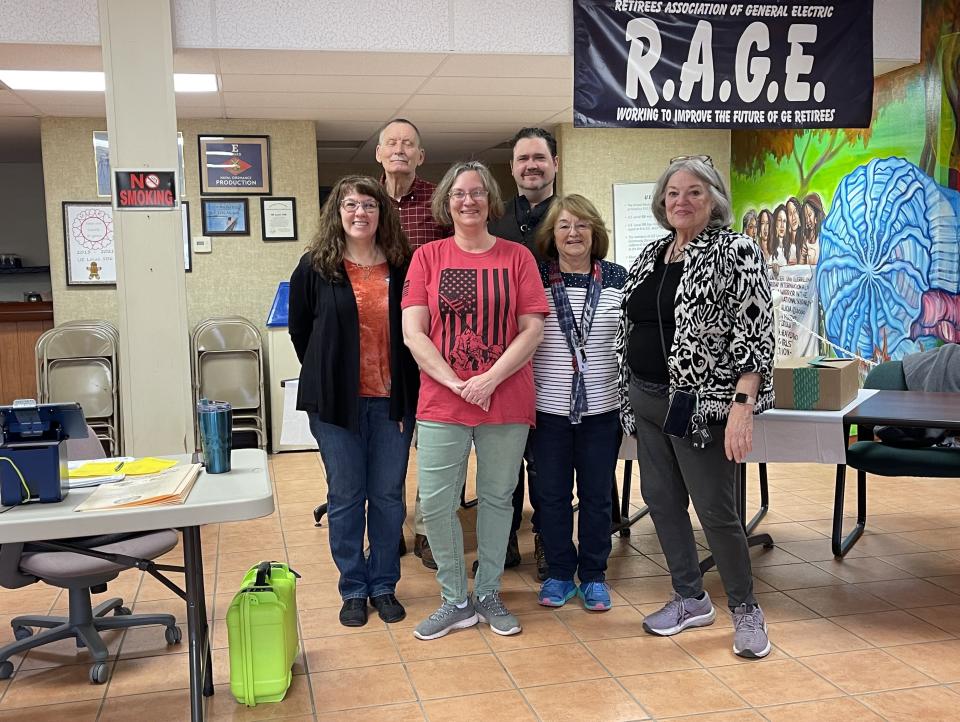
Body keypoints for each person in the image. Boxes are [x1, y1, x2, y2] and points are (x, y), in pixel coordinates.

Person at [615, 155, 776, 659]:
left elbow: (756, 334)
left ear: (714, 201)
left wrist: (742, 404)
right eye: (673, 193)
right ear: (662, 203)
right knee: (661, 501)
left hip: (700, 404)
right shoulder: (650, 254)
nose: (681, 201)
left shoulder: (736, 251)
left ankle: (747, 610)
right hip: (645, 397)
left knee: (715, 510)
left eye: (694, 193)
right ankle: (689, 597)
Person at [402, 160, 549, 640]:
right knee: (438, 505)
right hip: (442, 402)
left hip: (504, 399)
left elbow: (533, 328)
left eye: (478, 192)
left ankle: (487, 592)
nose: (469, 201)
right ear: (447, 202)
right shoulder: (427, 257)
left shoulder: (517, 258)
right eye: (459, 194)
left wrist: (488, 379)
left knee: (496, 499)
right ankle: (454, 599)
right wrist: (454, 381)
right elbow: (413, 333)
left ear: (491, 200)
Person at [289, 175, 419, 628]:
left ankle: (383, 584)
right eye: (350, 204)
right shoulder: (316, 267)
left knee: (386, 497)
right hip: (334, 406)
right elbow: (301, 331)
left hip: (392, 402)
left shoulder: (403, 265)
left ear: (382, 213)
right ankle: (353, 587)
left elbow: (415, 334)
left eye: (369, 204)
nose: (360, 212)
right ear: (337, 213)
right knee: (346, 496)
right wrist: (330, 375)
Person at [530, 194, 626, 611]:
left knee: (596, 497)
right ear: (552, 234)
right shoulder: (532, 276)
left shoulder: (619, 277)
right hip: (546, 410)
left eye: (582, 225)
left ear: (595, 232)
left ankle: (592, 576)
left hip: (602, 410)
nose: (574, 233)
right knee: (550, 496)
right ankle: (557, 573)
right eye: (565, 225)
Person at [376, 117, 448, 570]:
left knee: (435, 438)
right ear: (379, 153)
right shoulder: (361, 201)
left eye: (409, 144)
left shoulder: (440, 202)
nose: (400, 149)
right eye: (392, 143)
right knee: (386, 438)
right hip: (378, 341)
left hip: (431, 338)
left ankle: (427, 528)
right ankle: (387, 526)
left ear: (420, 156)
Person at [488, 127, 560, 580]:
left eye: (539, 157)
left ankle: (549, 545)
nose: (531, 166)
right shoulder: (495, 222)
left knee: (547, 463)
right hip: (503, 359)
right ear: (512, 167)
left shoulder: (572, 217)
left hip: (554, 358)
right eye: (522, 159)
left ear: (554, 163)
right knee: (503, 461)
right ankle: (505, 540)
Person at [801, 194, 825, 265]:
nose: (807, 220)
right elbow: (800, 268)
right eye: (805, 217)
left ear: (817, 215)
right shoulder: (805, 240)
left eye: (809, 215)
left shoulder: (824, 236)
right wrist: (802, 255)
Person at [784, 196, 802, 265]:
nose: (793, 217)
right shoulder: (785, 241)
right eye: (790, 214)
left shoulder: (805, 237)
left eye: (795, 212)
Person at [770, 204, 788, 268]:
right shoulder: (770, 246)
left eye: (784, 221)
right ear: (775, 222)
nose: (782, 225)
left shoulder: (789, 247)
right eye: (779, 220)